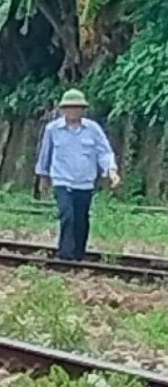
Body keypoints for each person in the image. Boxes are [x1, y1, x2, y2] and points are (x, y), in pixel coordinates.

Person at [34, 88, 120, 262]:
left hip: (84, 182)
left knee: (81, 219)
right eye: (69, 107)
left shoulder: (93, 129)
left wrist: (111, 171)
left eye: (77, 107)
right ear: (62, 110)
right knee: (67, 215)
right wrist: (43, 177)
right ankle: (65, 256)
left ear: (83, 110)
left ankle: (78, 255)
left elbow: (104, 152)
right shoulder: (53, 129)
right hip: (62, 180)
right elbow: (45, 154)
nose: (73, 111)